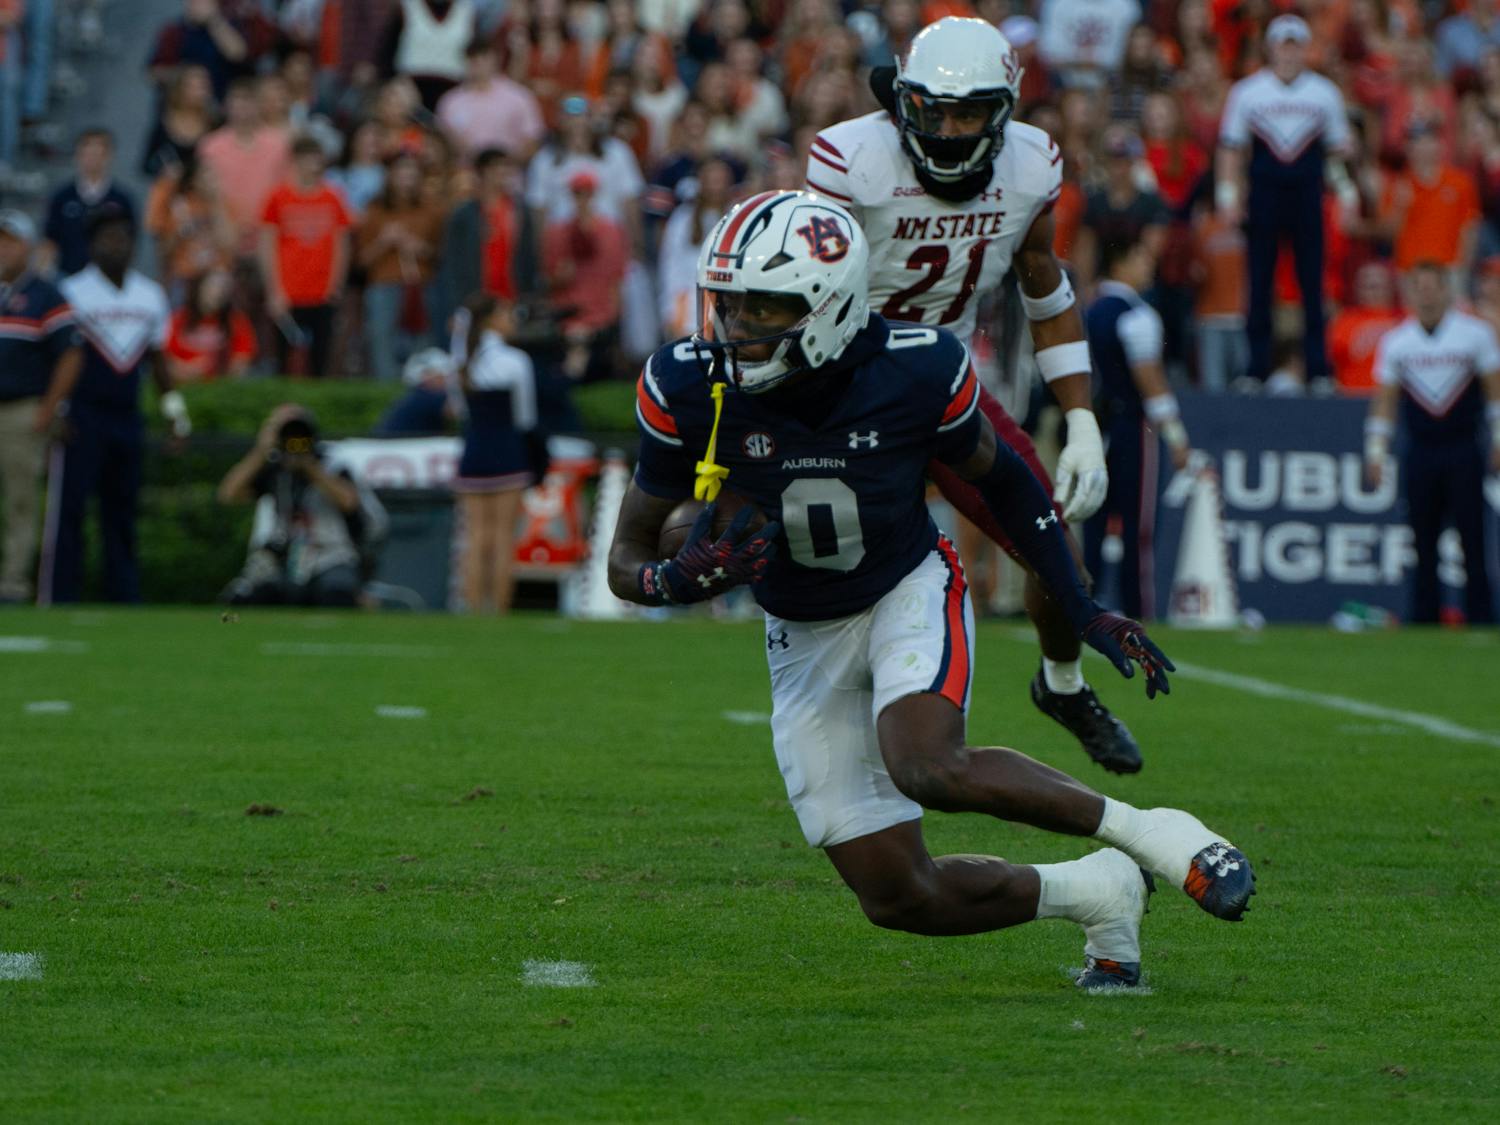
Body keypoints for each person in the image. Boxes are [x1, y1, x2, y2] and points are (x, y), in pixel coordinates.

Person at [606, 189, 1254, 990]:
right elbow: (627, 556)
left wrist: (1079, 608)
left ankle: (1154, 831)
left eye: (764, 308)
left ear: (831, 307)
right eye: (730, 304)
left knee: (925, 763)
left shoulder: (913, 367)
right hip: (800, 628)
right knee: (897, 894)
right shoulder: (690, 383)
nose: (736, 328)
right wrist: (675, 576)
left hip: (901, 585)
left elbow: (1010, 485)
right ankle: (1096, 889)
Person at [804, 18, 1139, 776]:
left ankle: (1061, 685)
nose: (947, 130)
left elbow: (1043, 285)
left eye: (966, 113)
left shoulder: (1029, 166)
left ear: (1006, 109)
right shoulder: (850, 158)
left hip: (942, 387)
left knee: (1059, 558)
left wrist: (1081, 419)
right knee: (831, 570)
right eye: (931, 110)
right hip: (842, 383)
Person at [43, 207, 189, 605]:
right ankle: (61, 594)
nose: (117, 245)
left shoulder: (150, 295)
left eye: (123, 237)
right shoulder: (72, 291)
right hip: (82, 414)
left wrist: (175, 414)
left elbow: (158, 362)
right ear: (92, 245)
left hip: (126, 416)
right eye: (107, 237)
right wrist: (56, 411)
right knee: (72, 509)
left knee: (122, 509)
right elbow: (58, 359)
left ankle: (123, 595)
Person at [1216, 16, 1353, 391]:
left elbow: (1339, 151)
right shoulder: (1248, 92)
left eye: (1295, 45)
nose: (1289, 53)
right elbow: (1232, 148)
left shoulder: (1324, 93)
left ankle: (1318, 369)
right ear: (1271, 48)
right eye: (1283, 45)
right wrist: (1228, 196)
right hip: (1265, 194)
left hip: (1308, 195)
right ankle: (1257, 368)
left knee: (1313, 284)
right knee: (1259, 283)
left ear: (1305, 49)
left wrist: (1347, 193)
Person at [1365, 262, 1500, 625]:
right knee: (1422, 541)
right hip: (1421, 449)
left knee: (1473, 538)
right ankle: (1424, 616)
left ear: (1447, 290)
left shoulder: (1474, 335)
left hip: (1463, 447)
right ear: (1408, 292)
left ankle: (1482, 616)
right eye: (1419, 287)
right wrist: (1376, 449)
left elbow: (1494, 390)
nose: (1426, 294)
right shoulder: (1398, 341)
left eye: (1432, 286)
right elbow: (1386, 400)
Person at [1083, 230, 1191, 621]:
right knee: (1138, 525)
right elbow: (1151, 381)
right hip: (1132, 425)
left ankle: (1085, 606)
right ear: (1121, 264)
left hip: (1093, 424)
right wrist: (1176, 435)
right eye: (1142, 258)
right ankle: (1137, 609)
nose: (1149, 265)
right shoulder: (1137, 315)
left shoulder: (1089, 310)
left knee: (1093, 521)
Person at [0, 211, 82, 604]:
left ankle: (13, 584)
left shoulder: (44, 293)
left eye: (10, 241)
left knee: (20, 499)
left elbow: (70, 354)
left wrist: (49, 408)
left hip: (20, 409)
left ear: (28, 247)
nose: (2, 249)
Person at [217, 404, 369, 607]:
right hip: (283, 554)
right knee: (245, 599)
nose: (293, 440)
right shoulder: (275, 470)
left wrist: (310, 466)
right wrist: (260, 452)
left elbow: (348, 502)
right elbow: (228, 495)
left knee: (336, 594)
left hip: (329, 554)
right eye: (286, 431)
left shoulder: (332, 464)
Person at [451, 296, 545, 613]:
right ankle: (499, 611)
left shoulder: (464, 361)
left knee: (476, 537)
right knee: (503, 537)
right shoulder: (515, 360)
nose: (512, 319)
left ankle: (474, 609)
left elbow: (459, 410)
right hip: (507, 451)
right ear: (491, 319)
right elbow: (525, 417)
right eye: (505, 314)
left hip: (475, 450)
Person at [259, 135, 354, 377]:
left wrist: (335, 284)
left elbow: (342, 243)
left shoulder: (333, 197)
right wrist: (274, 290)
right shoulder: (278, 198)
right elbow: (267, 244)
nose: (313, 166)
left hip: (322, 291)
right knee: (285, 360)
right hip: (289, 292)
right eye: (307, 159)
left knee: (320, 358)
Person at [356, 151, 443, 382]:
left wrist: (419, 248)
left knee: (423, 344)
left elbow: (441, 255)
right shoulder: (374, 210)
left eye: (412, 172)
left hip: (421, 285)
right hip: (383, 286)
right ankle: (384, 394)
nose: (407, 177)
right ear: (390, 176)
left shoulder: (432, 210)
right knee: (382, 343)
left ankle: (421, 393)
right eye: (401, 171)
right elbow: (362, 260)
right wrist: (384, 241)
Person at [542, 169, 628, 382]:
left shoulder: (611, 231)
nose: (582, 199)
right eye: (577, 193)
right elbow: (548, 281)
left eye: (586, 193)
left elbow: (617, 279)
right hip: (569, 312)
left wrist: (615, 320)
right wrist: (560, 278)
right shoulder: (557, 232)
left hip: (600, 312)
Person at [41, 129, 138, 278]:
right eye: (87, 152)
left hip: (109, 278)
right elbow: (50, 241)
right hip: (68, 275)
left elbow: (131, 241)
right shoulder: (62, 197)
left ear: (109, 156)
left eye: (99, 153)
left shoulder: (122, 199)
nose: (93, 159)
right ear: (77, 155)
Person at [434, 39, 546, 163]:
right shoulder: (451, 101)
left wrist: (501, 167)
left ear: (495, 60)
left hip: (509, 174)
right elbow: (441, 142)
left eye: (484, 58)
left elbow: (532, 139)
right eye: (473, 59)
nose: (478, 64)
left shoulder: (519, 97)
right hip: (464, 174)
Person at [164, 267, 257, 382]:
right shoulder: (177, 320)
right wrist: (189, 371)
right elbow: (166, 360)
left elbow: (242, 361)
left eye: (223, 288)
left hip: (219, 387)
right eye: (212, 287)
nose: (218, 293)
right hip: (184, 384)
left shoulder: (236, 322)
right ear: (200, 287)